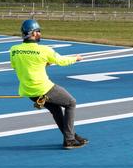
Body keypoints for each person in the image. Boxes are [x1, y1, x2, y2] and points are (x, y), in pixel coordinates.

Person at [9, 19, 87, 149]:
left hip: (28, 91)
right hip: (44, 88)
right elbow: (61, 61)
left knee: (56, 110)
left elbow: (17, 66)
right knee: (71, 103)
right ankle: (69, 140)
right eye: (38, 31)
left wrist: (42, 64)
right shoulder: (44, 50)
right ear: (33, 33)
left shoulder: (14, 50)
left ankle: (71, 136)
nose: (40, 33)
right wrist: (76, 58)